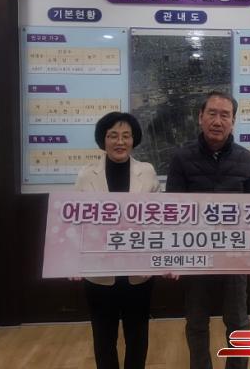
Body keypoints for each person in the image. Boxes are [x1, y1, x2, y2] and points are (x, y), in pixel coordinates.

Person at [166, 91, 250, 369]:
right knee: (196, 321)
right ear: (200, 117)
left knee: (238, 321)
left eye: (225, 115)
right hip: (195, 253)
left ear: (233, 121)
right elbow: (172, 208)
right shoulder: (181, 158)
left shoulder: (246, 159)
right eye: (212, 113)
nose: (218, 121)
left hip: (236, 254)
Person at [75, 111, 159, 369]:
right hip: (99, 272)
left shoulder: (147, 172)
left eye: (126, 136)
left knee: (137, 335)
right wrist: (72, 261)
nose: (120, 142)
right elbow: (76, 223)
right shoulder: (86, 175)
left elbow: (159, 220)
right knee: (103, 336)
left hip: (138, 272)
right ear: (103, 139)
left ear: (134, 140)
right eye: (113, 136)